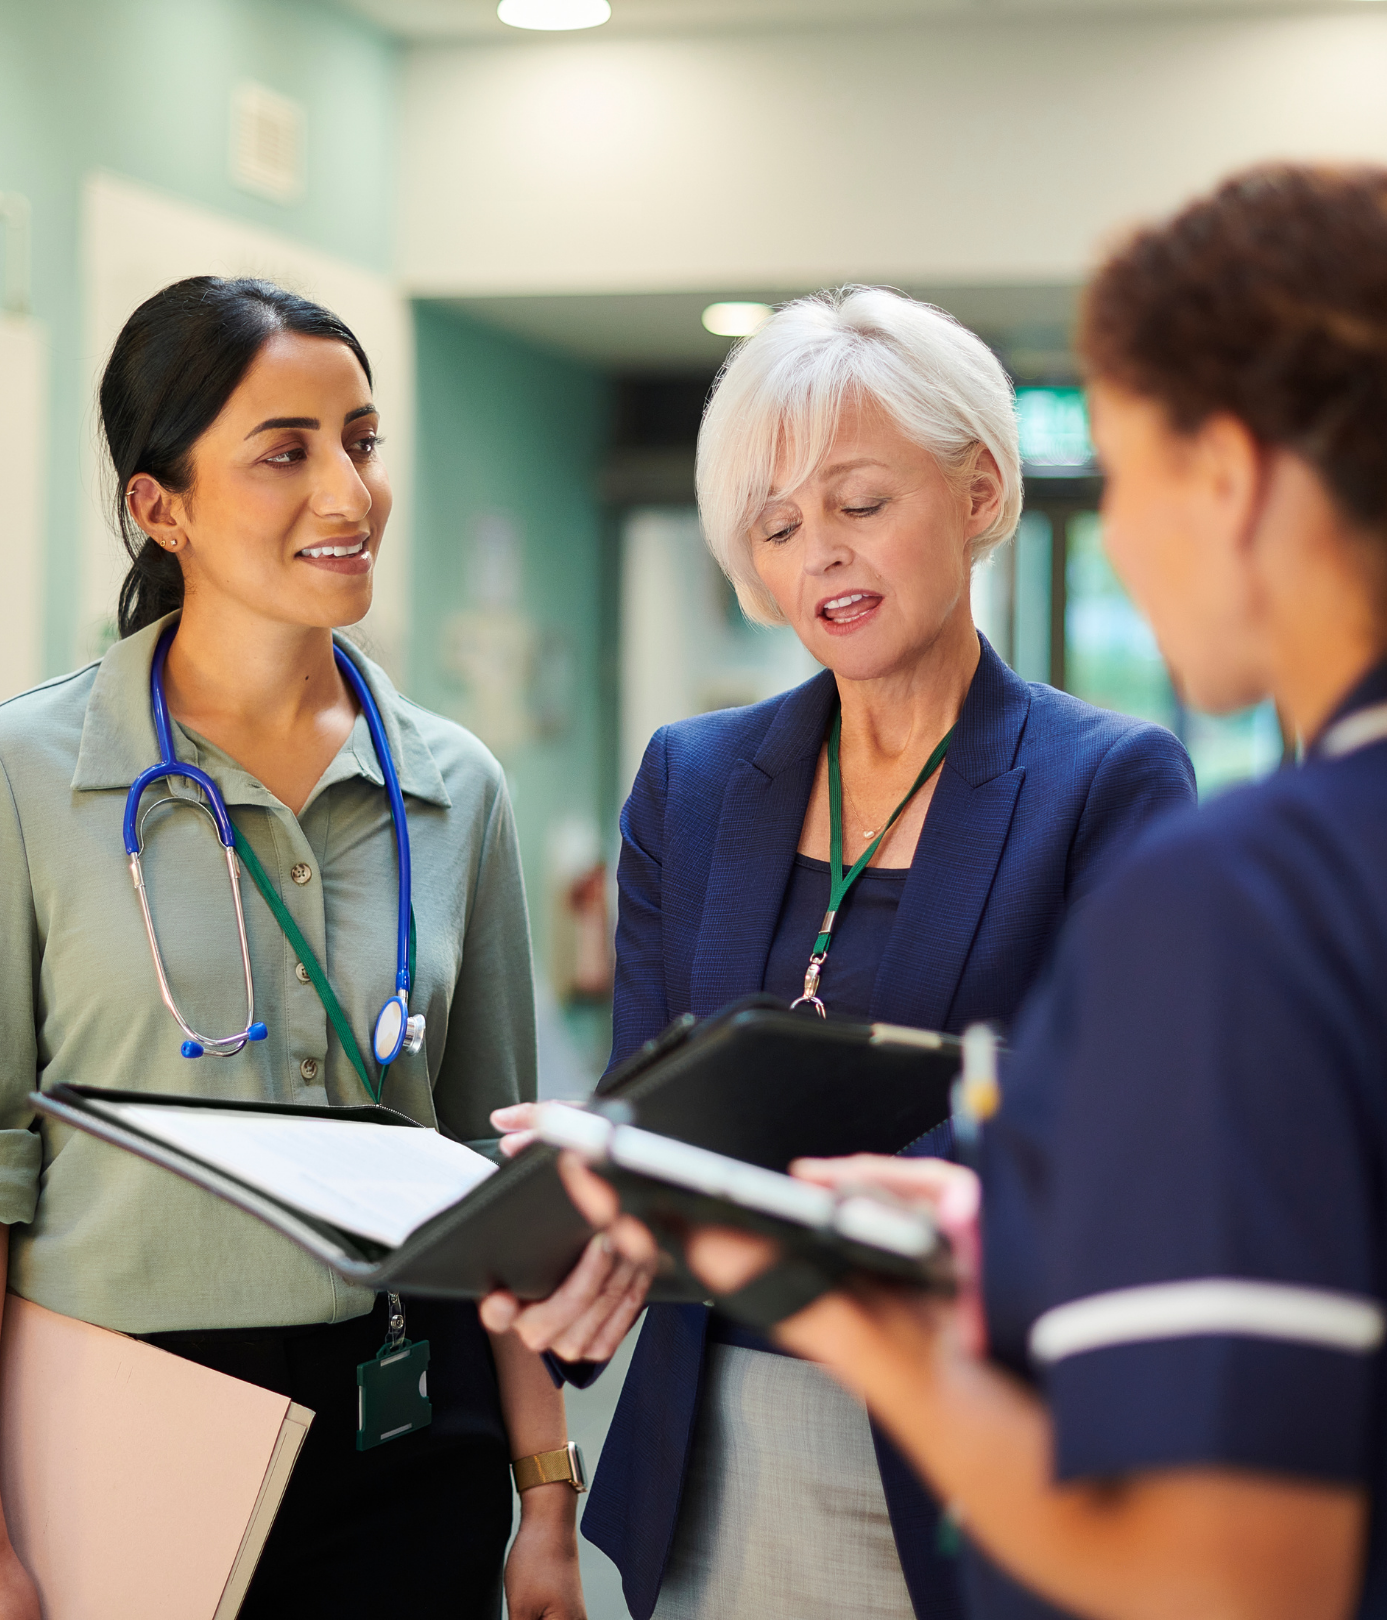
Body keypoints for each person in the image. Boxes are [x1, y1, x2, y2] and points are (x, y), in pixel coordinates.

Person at [632, 162, 1387, 1620]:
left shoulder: (1254, 884)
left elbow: (1233, 1572)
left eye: (1127, 470)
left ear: (1223, 476)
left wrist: (858, 1306)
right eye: (779, 526)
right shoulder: (704, 776)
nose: (1121, 537)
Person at [0, 277, 585, 1620]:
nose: (349, 496)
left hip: (410, 1427)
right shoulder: (24, 773)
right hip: (124, 1425)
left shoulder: (454, 785)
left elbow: (496, 1175)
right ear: (160, 506)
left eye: (362, 442)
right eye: (285, 452)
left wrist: (546, 1487)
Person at [483, 288, 1195, 1620]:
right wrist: (592, 1207)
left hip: (965, 1426)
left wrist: (746, 1208)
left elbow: (1096, 1117)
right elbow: (652, 1098)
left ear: (979, 494)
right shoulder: (691, 782)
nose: (823, 556)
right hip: (706, 1443)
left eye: (860, 504)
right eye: (779, 524)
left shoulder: (1107, 783)